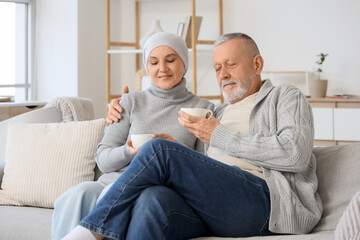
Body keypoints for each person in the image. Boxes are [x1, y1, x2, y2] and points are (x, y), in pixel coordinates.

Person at [63, 32, 323, 240]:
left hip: (263, 202)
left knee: (159, 148)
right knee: (151, 199)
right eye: (218, 67)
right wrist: (180, 155)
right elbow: (206, 168)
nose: (223, 74)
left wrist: (216, 135)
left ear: (257, 64)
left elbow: (295, 154)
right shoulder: (218, 111)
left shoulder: (285, 97)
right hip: (216, 205)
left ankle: (89, 231)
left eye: (231, 64)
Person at [52, 32, 213, 240]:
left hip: (158, 190)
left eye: (170, 60)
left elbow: (203, 170)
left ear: (185, 62)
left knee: (116, 196)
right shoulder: (130, 102)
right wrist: (130, 151)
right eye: (153, 62)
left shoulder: (203, 109)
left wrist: (176, 154)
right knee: (77, 194)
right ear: (147, 67)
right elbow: (103, 159)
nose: (162, 69)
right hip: (111, 181)